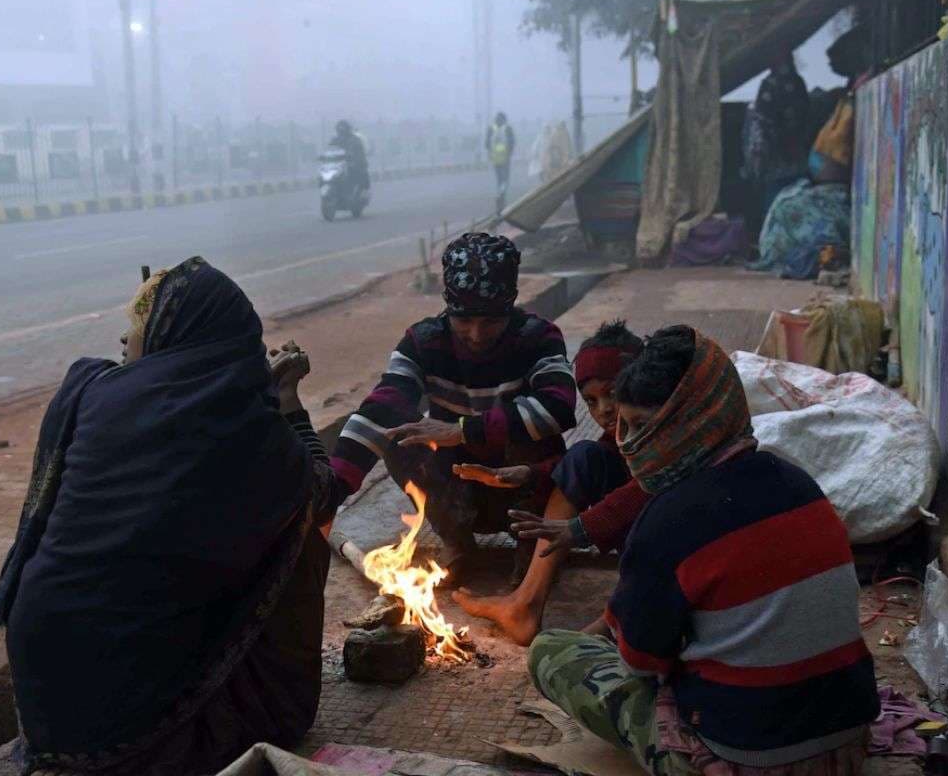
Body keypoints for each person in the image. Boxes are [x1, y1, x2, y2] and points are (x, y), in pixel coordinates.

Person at [0, 257, 339, 775]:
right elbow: (322, 491)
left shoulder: (95, 392)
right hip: (122, 719)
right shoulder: (251, 435)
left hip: (46, 687)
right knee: (300, 530)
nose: (125, 343)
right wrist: (287, 402)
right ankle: (267, 705)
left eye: (136, 330)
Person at [526, 325, 879, 776]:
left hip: (739, 759)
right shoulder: (797, 480)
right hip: (848, 744)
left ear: (686, 420)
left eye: (640, 426)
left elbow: (640, 663)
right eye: (622, 425)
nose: (627, 442)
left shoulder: (666, 521)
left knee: (551, 650)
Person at [330, 232, 577, 586]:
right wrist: (332, 490)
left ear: (511, 306)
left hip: (524, 486)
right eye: (464, 321)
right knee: (401, 438)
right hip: (458, 490)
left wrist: (461, 430)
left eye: (491, 321)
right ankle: (458, 543)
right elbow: (384, 406)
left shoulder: (538, 338)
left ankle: (531, 548)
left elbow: (559, 407)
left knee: (530, 433)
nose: (476, 334)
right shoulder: (422, 342)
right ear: (447, 308)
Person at [453, 320, 653, 645]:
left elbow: (649, 486)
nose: (603, 410)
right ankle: (526, 604)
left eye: (613, 394)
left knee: (660, 535)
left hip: (673, 534)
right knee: (583, 457)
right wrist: (530, 473)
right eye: (590, 400)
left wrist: (579, 528)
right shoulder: (622, 432)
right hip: (643, 525)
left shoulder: (667, 429)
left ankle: (607, 629)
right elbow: (599, 457)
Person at [749, 28, 868, 280]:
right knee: (778, 204)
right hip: (785, 159)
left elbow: (776, 121)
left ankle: (778, 250)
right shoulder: (782, 84)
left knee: (780, 205)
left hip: (786, 159)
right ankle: (776, 248)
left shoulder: (780, 84)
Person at [741, 53, 810, 240]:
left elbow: (805, 114)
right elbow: (762, 121)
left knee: (796, 199)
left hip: (794, 154)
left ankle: (790, 239)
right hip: (778, 155)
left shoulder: (796, 83)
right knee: (776, 201)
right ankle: (776, 239)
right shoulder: (770, 85)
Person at [330, 119, 370, 197]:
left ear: (347, 130)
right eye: (339, 130)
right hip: (340, 163)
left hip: (355, 162)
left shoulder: (354, 139)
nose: (341, 132)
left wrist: (352, 155)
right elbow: (329, 148)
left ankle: (356, 193)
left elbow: (358, 151)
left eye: (343, 130)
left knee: (356, 173)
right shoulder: (335, 139)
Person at [486, 111, 516, 212]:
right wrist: (510, 153)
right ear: (504, 119)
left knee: (499, 180)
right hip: (505, 158)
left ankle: (500, 195)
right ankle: (501, 196)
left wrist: (491, 153)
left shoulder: (491, 128)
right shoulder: (507, 128)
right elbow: (512, 142)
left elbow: (486, 144)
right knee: (505, 180)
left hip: (495, 159)